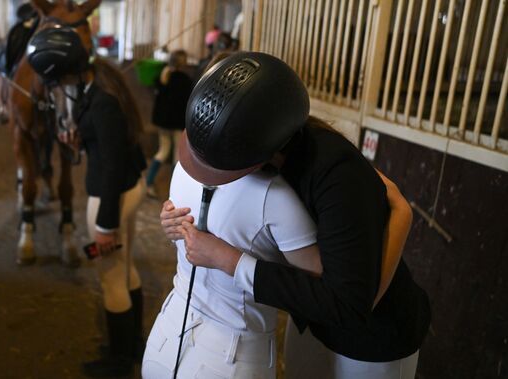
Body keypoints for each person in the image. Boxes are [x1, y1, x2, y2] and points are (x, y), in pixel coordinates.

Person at [160, 52, 431, 378]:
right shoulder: (265, 153)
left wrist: (229, 260)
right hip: (311, 317)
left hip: (372, 335)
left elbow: (349, 304)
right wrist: (177, 216)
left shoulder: (335, 171)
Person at [142, 52, 323, 379]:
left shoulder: (183, 166)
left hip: (166, 333)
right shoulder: (277, 198)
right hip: (231, 356)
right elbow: (317, 289)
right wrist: (238, 261)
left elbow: (181, 235)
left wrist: (187, 238)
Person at [27, 27, 147, 377]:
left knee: (110, 277)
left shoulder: (103, 100)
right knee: (126, 268)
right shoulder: (98, 85)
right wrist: (81, 142)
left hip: (112, 196)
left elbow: (111, 165)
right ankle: (134, 343)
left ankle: (119, 360)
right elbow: (116, 146)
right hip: (129, 188)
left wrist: (105, 225)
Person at [145, 50, 193, 198]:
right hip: (177, 124)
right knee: (176, 157)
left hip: (163, 124)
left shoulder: (163, 78)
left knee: (163, 150)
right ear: (183, 63)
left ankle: (148, 183)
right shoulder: (185, 81)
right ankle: (174, 190)